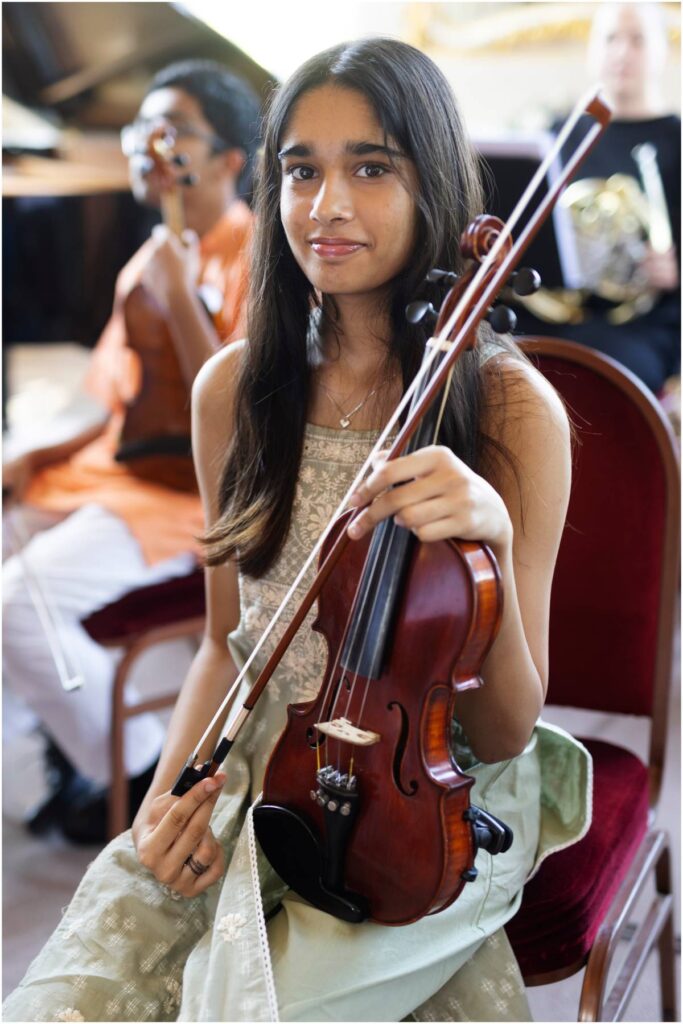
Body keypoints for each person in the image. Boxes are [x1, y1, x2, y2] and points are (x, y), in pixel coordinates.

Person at [3, 38, 591, 1023]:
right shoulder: (230, 390)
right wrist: (166, 804)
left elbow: (500, 730)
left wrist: (486, 532)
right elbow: (220, 645)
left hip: (432, 797)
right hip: (253, 761)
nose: (326, 205)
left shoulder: (507, 409)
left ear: (433, 183)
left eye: (371, 168)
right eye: (301, 170)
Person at [2, 60, 260, 843]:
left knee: (18, 606)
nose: (149, 142)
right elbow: (120, 402)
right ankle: (64, 744)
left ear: (228, 159)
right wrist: (33, 455)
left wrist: (179, 294)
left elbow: (235, 413)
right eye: (141, 125)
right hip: (121, 470)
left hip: (190, 491)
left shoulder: (257, 256)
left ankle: (141, 769)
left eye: (171, 129)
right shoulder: (148, 257)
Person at [513, 2, 680, 395]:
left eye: (638, 40)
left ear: (662, 51)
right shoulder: (557, 133)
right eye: (610, 39)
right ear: (592, 49)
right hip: (550, 312)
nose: (622, 52)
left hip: (637, 326)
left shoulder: (676, 139)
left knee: (596, 373)